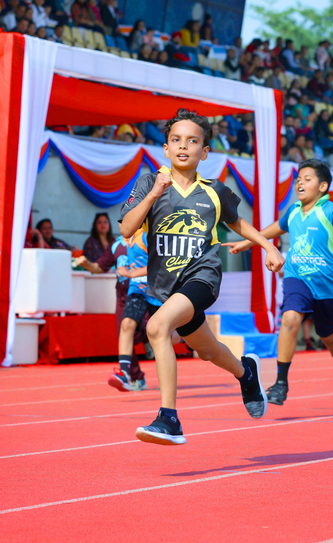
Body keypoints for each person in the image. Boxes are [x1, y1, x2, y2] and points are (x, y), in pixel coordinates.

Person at [118, 109, 284, 445]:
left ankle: (169, 419)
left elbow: (238, 223)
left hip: (202, 278)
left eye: (192, 141)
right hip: (166, 286)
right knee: (207, 350)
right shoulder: (150, 182)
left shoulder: (215, 192)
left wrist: (269, 246)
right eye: (176, 140)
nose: (183, 146)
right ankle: (246, 373)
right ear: (165, 148)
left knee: (156, 327)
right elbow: (126, 228)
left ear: (204, 152)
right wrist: (153, 194)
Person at [227, 160, 333, 405]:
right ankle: (280, 383)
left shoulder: (331, 211)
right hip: (297, 277)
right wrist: (248, 242)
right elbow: (275, 229)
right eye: (298, 178)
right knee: (290, 318)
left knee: (328, 334)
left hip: (328, 286)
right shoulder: (293, 210)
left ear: (323, 186)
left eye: (307, 178)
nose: (300, 182)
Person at [107, 228, 178, 392]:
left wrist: (131, 273)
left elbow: (159, 264)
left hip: (157, 290)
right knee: (126, 325)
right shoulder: (124, 239)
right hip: (137, 290)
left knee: (163, 335)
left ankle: (182, 338)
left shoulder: (151, 233)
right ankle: (124, 374)